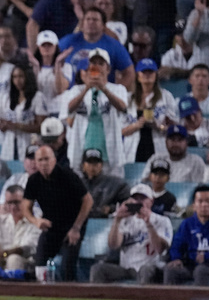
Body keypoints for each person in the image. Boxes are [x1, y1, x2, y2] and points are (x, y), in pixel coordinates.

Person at [22, 144, 93, 282]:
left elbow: (88, 200)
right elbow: (25, 207)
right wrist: (36, 221)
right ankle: (43, 295)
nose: (44, 163)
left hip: (71, 226)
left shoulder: (67, 175)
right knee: (39, 264)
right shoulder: (34, 180)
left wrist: (76, 228)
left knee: (67, 266)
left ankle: (71, 295)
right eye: (40, 160)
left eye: (46, 159)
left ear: (54, 160)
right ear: (36, 163)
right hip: (51, 225)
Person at [61, 48, 129, 176]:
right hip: (81, 151)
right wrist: (87, 87)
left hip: (109, 153)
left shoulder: (118, 89)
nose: (96, 66)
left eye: (101, 63)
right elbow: (69, 109)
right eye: (93, 63)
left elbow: (123, 108)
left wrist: (103, 88)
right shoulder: (76, 90)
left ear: (108, 69)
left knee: (112, 192)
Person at [92, 184, 172, 285]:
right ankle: (98, 299)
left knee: (145, 270)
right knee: (98, 269)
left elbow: (160, 248)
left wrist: (148, 224)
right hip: (126, 268)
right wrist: (117, 220)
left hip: (151, 267)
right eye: (135, 198)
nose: (138, 201)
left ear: (151, 201)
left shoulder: (162, 221)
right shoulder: (125, 220)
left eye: (142, 198)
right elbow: (113, 245)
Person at [0, 185, 40, 281]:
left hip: (25, 263)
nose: (13, 206)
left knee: (13, 259)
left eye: (17, 202)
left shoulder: (35, 221)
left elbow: (27, 248)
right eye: (9, 203)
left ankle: (14, 293)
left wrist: (3, 254)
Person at [165, 184, 209, 286]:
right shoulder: (187, 224)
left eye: (208, 201)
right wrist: (176, 258)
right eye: (200, 201)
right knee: (171, 269)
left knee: (201, 270)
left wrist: (207, 257)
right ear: (194, 206)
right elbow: (176, 246)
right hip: (191, 265)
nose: (204, 205)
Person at [122, 58, 177, 163]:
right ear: (138, 75)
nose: (147, 75)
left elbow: (174, 127)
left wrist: (158, 126)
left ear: (156, 75)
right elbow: (121, 130)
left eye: (150, 72)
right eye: (144, 72)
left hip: (158, 144)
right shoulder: (128, 98)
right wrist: (136, 125)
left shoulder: (166, 97)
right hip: (133, 147)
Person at [140, 125, 207, 183]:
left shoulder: (196, 162)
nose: (176, 144)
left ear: (187, 143)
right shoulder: (156, 158)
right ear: (166, 142)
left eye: (180, 140)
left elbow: (200, 187)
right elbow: (144, 182)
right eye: (172, 139)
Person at [78, 149, 132, 218]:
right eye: (89, 163)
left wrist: (111, 208)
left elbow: (129, 203)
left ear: (102, 165)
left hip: (107, 223)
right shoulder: (77, 184)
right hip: (81, 223)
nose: (93, 166)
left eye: (96, 163)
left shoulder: (116, 184)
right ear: (83, 166)